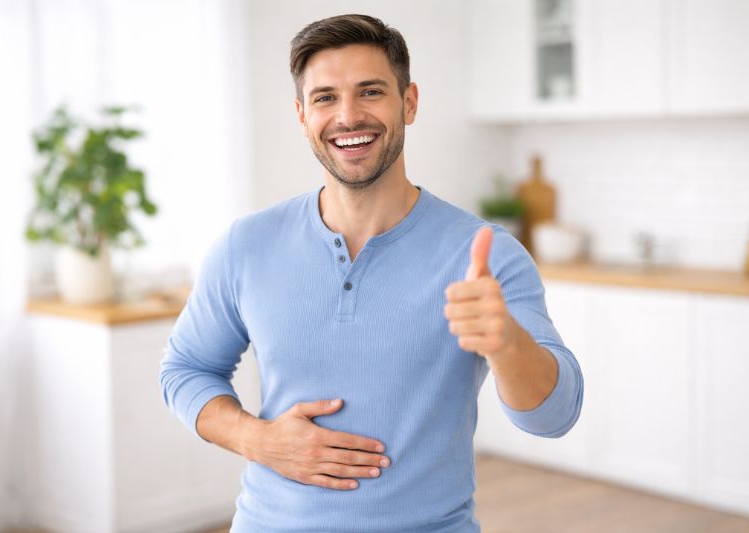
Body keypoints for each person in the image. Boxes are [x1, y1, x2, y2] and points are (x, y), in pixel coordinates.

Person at [160, 13, 583, 533]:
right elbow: (184, 369)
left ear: (409, 102)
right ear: (301, 114)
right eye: (325, 98)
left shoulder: (485, 254)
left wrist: (507, 343)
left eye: (370, 92)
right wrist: (257, 439)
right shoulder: (246, 245)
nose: (348, 116)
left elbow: (553, 417)